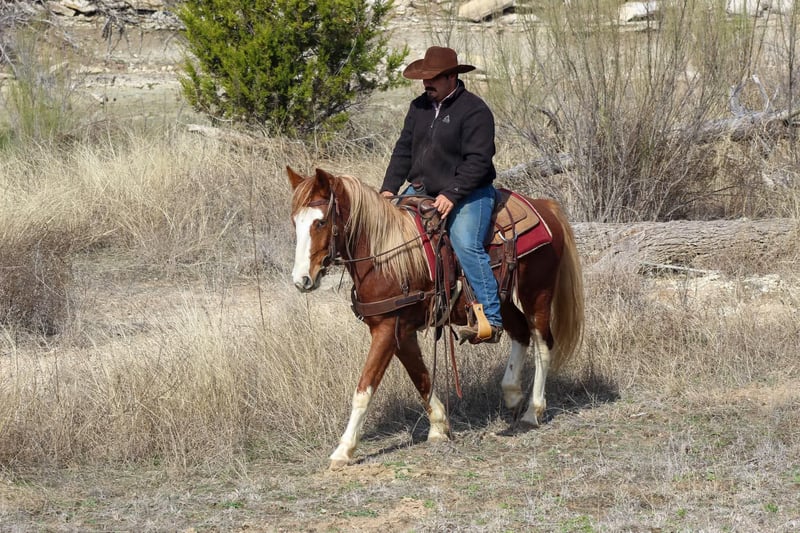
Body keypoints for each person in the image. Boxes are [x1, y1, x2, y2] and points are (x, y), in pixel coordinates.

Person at [379, 46, 502, 344]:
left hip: (470, 192)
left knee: (465, 243)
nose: (426, 84)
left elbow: (478, 160)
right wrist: (389, 188)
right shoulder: (418, 107)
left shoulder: (474, 110)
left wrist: (452, 193)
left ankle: (492, 319)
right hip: (422, 189)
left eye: (432, 78)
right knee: (386, 232)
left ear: (451, 77)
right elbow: (403, 150)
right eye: (424, 78)